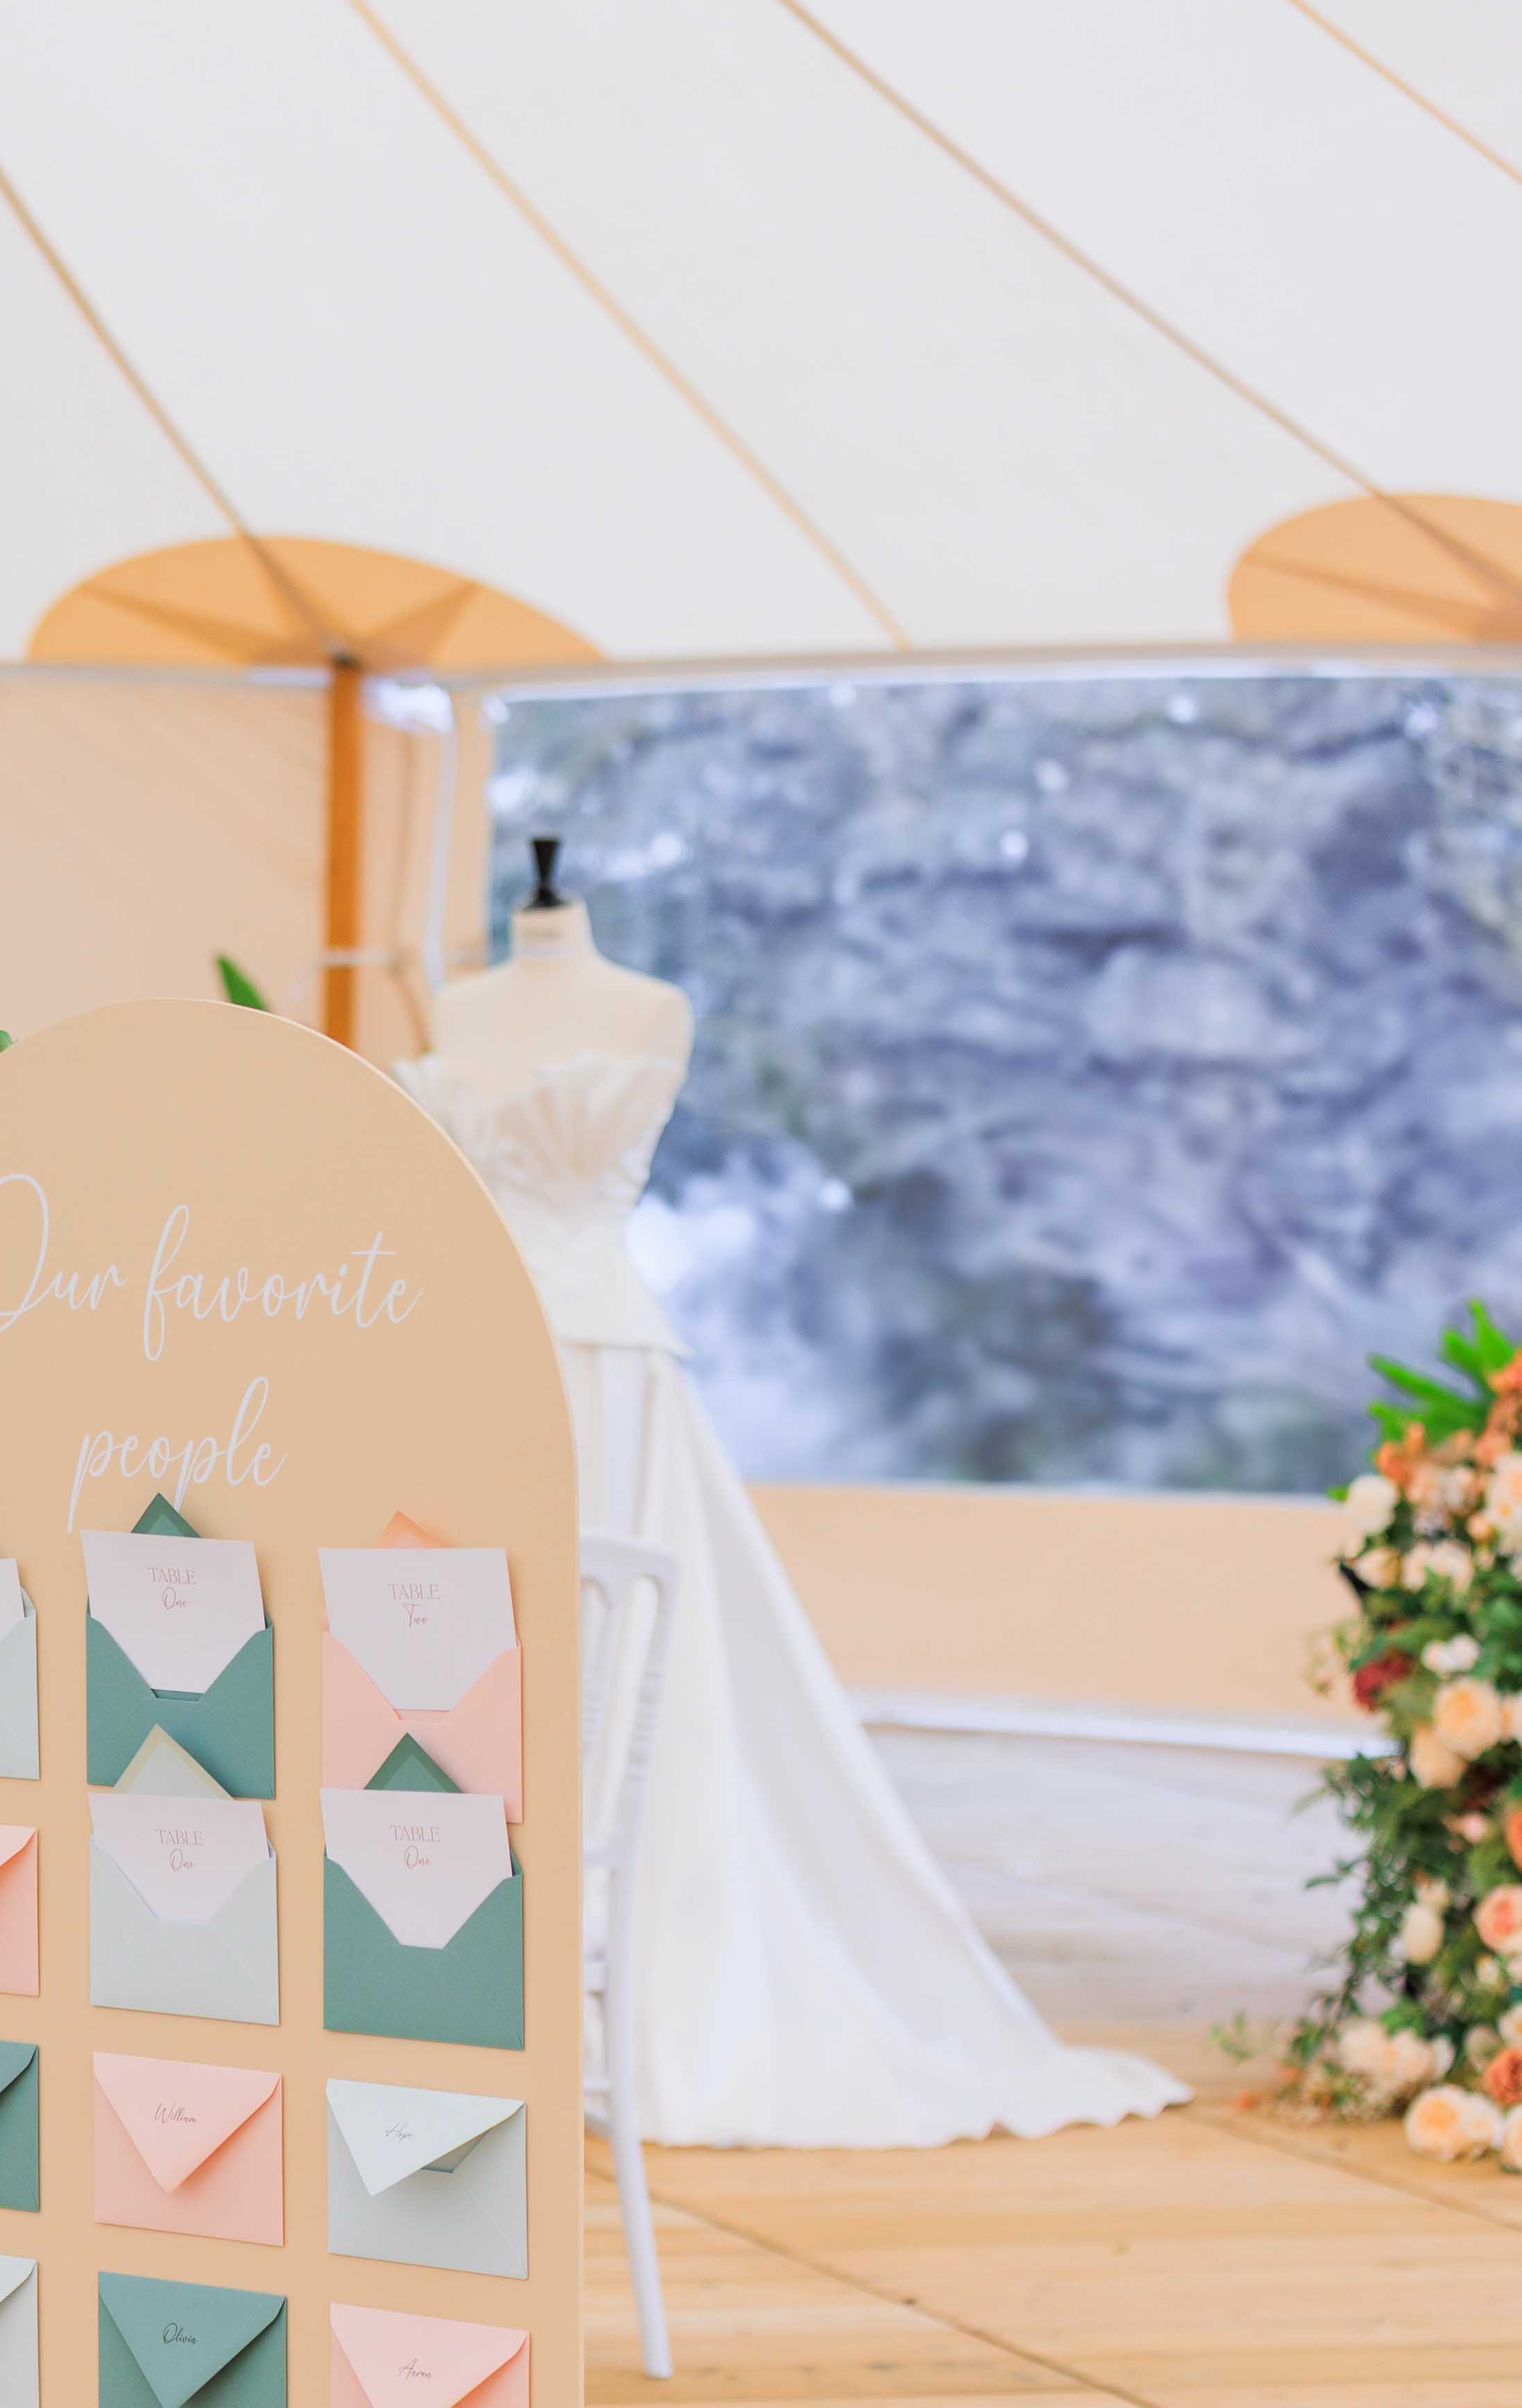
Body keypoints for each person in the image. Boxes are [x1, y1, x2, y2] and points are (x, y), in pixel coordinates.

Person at [395, 840, 1185, 2146]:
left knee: (625, 1666)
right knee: (469, 1650)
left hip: (605, 1371)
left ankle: (635, 1976)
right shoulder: (459, 1006)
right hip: (469, 1366)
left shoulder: (647, 1008)